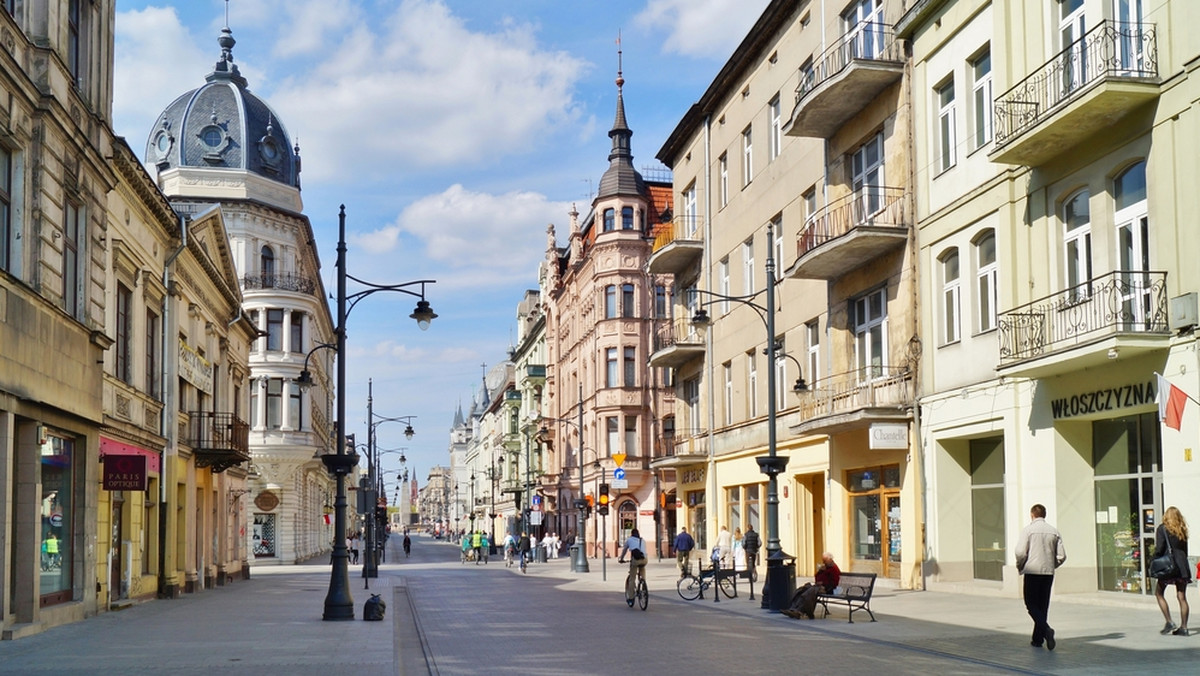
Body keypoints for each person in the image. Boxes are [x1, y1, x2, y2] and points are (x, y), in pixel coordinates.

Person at [1015, 503, 1066, 650]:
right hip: (1048, 572)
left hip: (1032, 571)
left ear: (1032, 515)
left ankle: (1046, 630)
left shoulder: (1028, 530)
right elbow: (1062, 555)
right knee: (1043, 605)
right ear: (1045, 515)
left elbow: (1020, 552)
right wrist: (1052, 564)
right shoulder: (1054, 531)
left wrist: (1020, 565)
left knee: (1031, 604)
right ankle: (1037, 639)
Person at [1154, 506, 1191, 636]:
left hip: (1169, 566)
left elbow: (1159, 549)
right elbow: (1185, 550)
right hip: (1182, 566)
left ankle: (1169, 621)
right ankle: (1184, 627)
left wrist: (1154, 559)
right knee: (1182, 596)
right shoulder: (1182, 530)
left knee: (1159, 593)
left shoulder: (1162, 529)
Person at [783, 552, 840, 619]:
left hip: (827, 589)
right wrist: (820, 571)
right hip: (818, 586)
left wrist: (823, 583)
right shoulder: (825, 568)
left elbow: (834, 583)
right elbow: (816, 577)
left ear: (830, 559)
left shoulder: (834, 569)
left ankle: (800, 611)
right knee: (802, 589)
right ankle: (793, 608)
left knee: (808, 593)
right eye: (823, 560)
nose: (824, 562)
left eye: (825, 561)